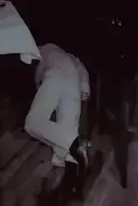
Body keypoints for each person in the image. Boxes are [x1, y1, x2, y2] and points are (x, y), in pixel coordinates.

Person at [25, 43, 90, 198]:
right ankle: (73, 185)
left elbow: (36, 69)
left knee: (32, 122)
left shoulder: (41, 49)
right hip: (74, 83)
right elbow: (81, 67)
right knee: (65, 138)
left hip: (54, 78)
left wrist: (37, 82)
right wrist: (84, 88)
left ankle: (76, 144)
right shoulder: (69, 55)